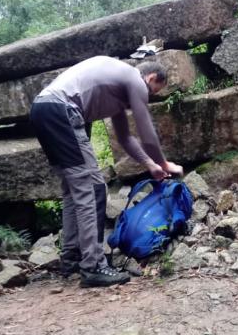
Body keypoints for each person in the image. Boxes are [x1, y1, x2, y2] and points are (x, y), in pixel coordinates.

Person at [29, 55, 183, 288]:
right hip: (62, 111)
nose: (147, 97)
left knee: (74, 190)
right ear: (150, 77)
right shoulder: (134, 79)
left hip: (42, 110)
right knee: (93, 189)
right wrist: (164, 163)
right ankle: (92, 267)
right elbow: (147, 133)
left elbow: (125, 138)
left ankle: (72, 258)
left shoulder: (117, 90)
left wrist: (150, 164)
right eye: (152, 91)